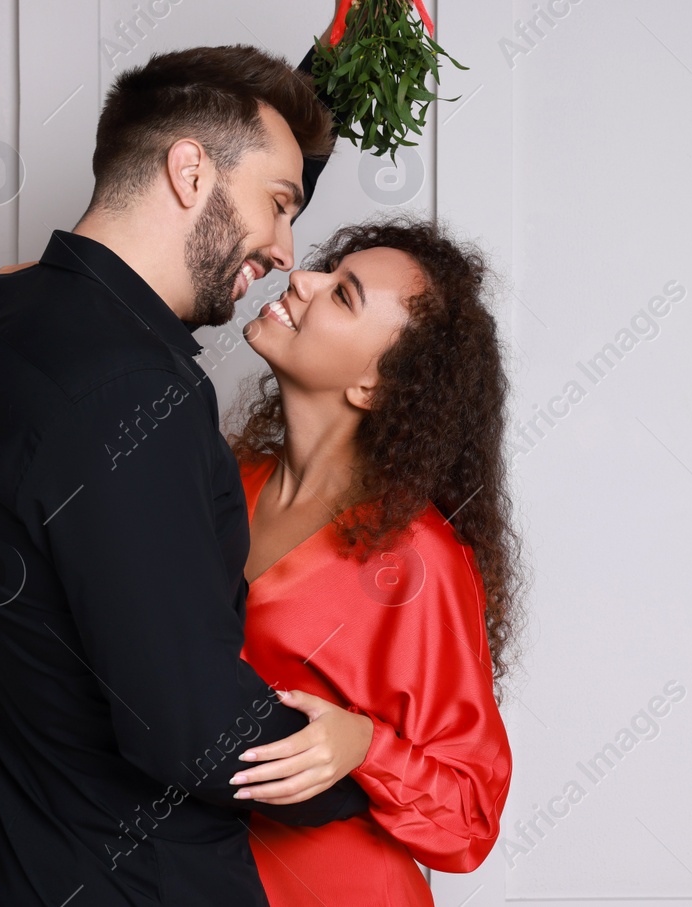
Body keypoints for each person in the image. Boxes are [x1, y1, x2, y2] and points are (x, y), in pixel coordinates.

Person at [0, 0, 438, 906]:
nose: (286, 255)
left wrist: (340, 58)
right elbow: (187, 726)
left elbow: (236, 163)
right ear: (188, 171)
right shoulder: (135, 394)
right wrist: (367, 763)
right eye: (282, 208)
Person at [216, 217, 520, 905]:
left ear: (375, 385)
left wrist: (363, 745)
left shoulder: (420, 560)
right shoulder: (224, 482)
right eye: (330, 269)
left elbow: (470, 818)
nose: (302, 279)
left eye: (343, 295)